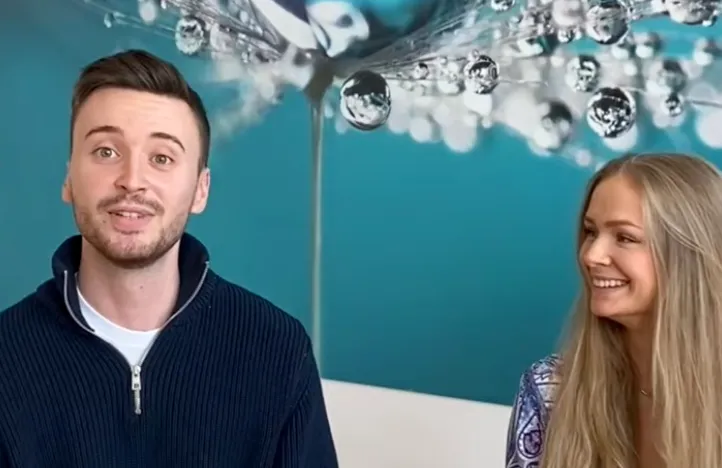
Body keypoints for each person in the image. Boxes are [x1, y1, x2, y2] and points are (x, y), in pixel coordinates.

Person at [0, 49, 338, 467]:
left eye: (161, 158)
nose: (132, 181)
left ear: (200, 189)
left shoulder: (278, 351)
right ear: (69, 178)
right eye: (106, 152)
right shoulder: (6, 358)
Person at [505, 153, 722, 468]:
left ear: (689, 256)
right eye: (591, 232)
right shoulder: (548, 391)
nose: (591, 255)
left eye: (625, 237)